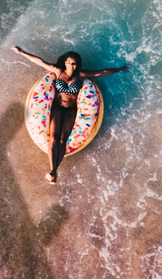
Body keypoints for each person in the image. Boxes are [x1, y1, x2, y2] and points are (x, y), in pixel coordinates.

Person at [11, 45, 128, 184]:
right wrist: (22, 52)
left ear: (77, 64)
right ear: (65, 62)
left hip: (71, 110)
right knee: (53, 138)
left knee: (62, 140)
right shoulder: (58, 71)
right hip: (57, 108)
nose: (71, 65)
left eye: (73, 63)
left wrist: (120, 69)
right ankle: (53, 171)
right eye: (68, 62)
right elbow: (40, 62)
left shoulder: (81, 75)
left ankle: (54, 172)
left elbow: (101, 72)